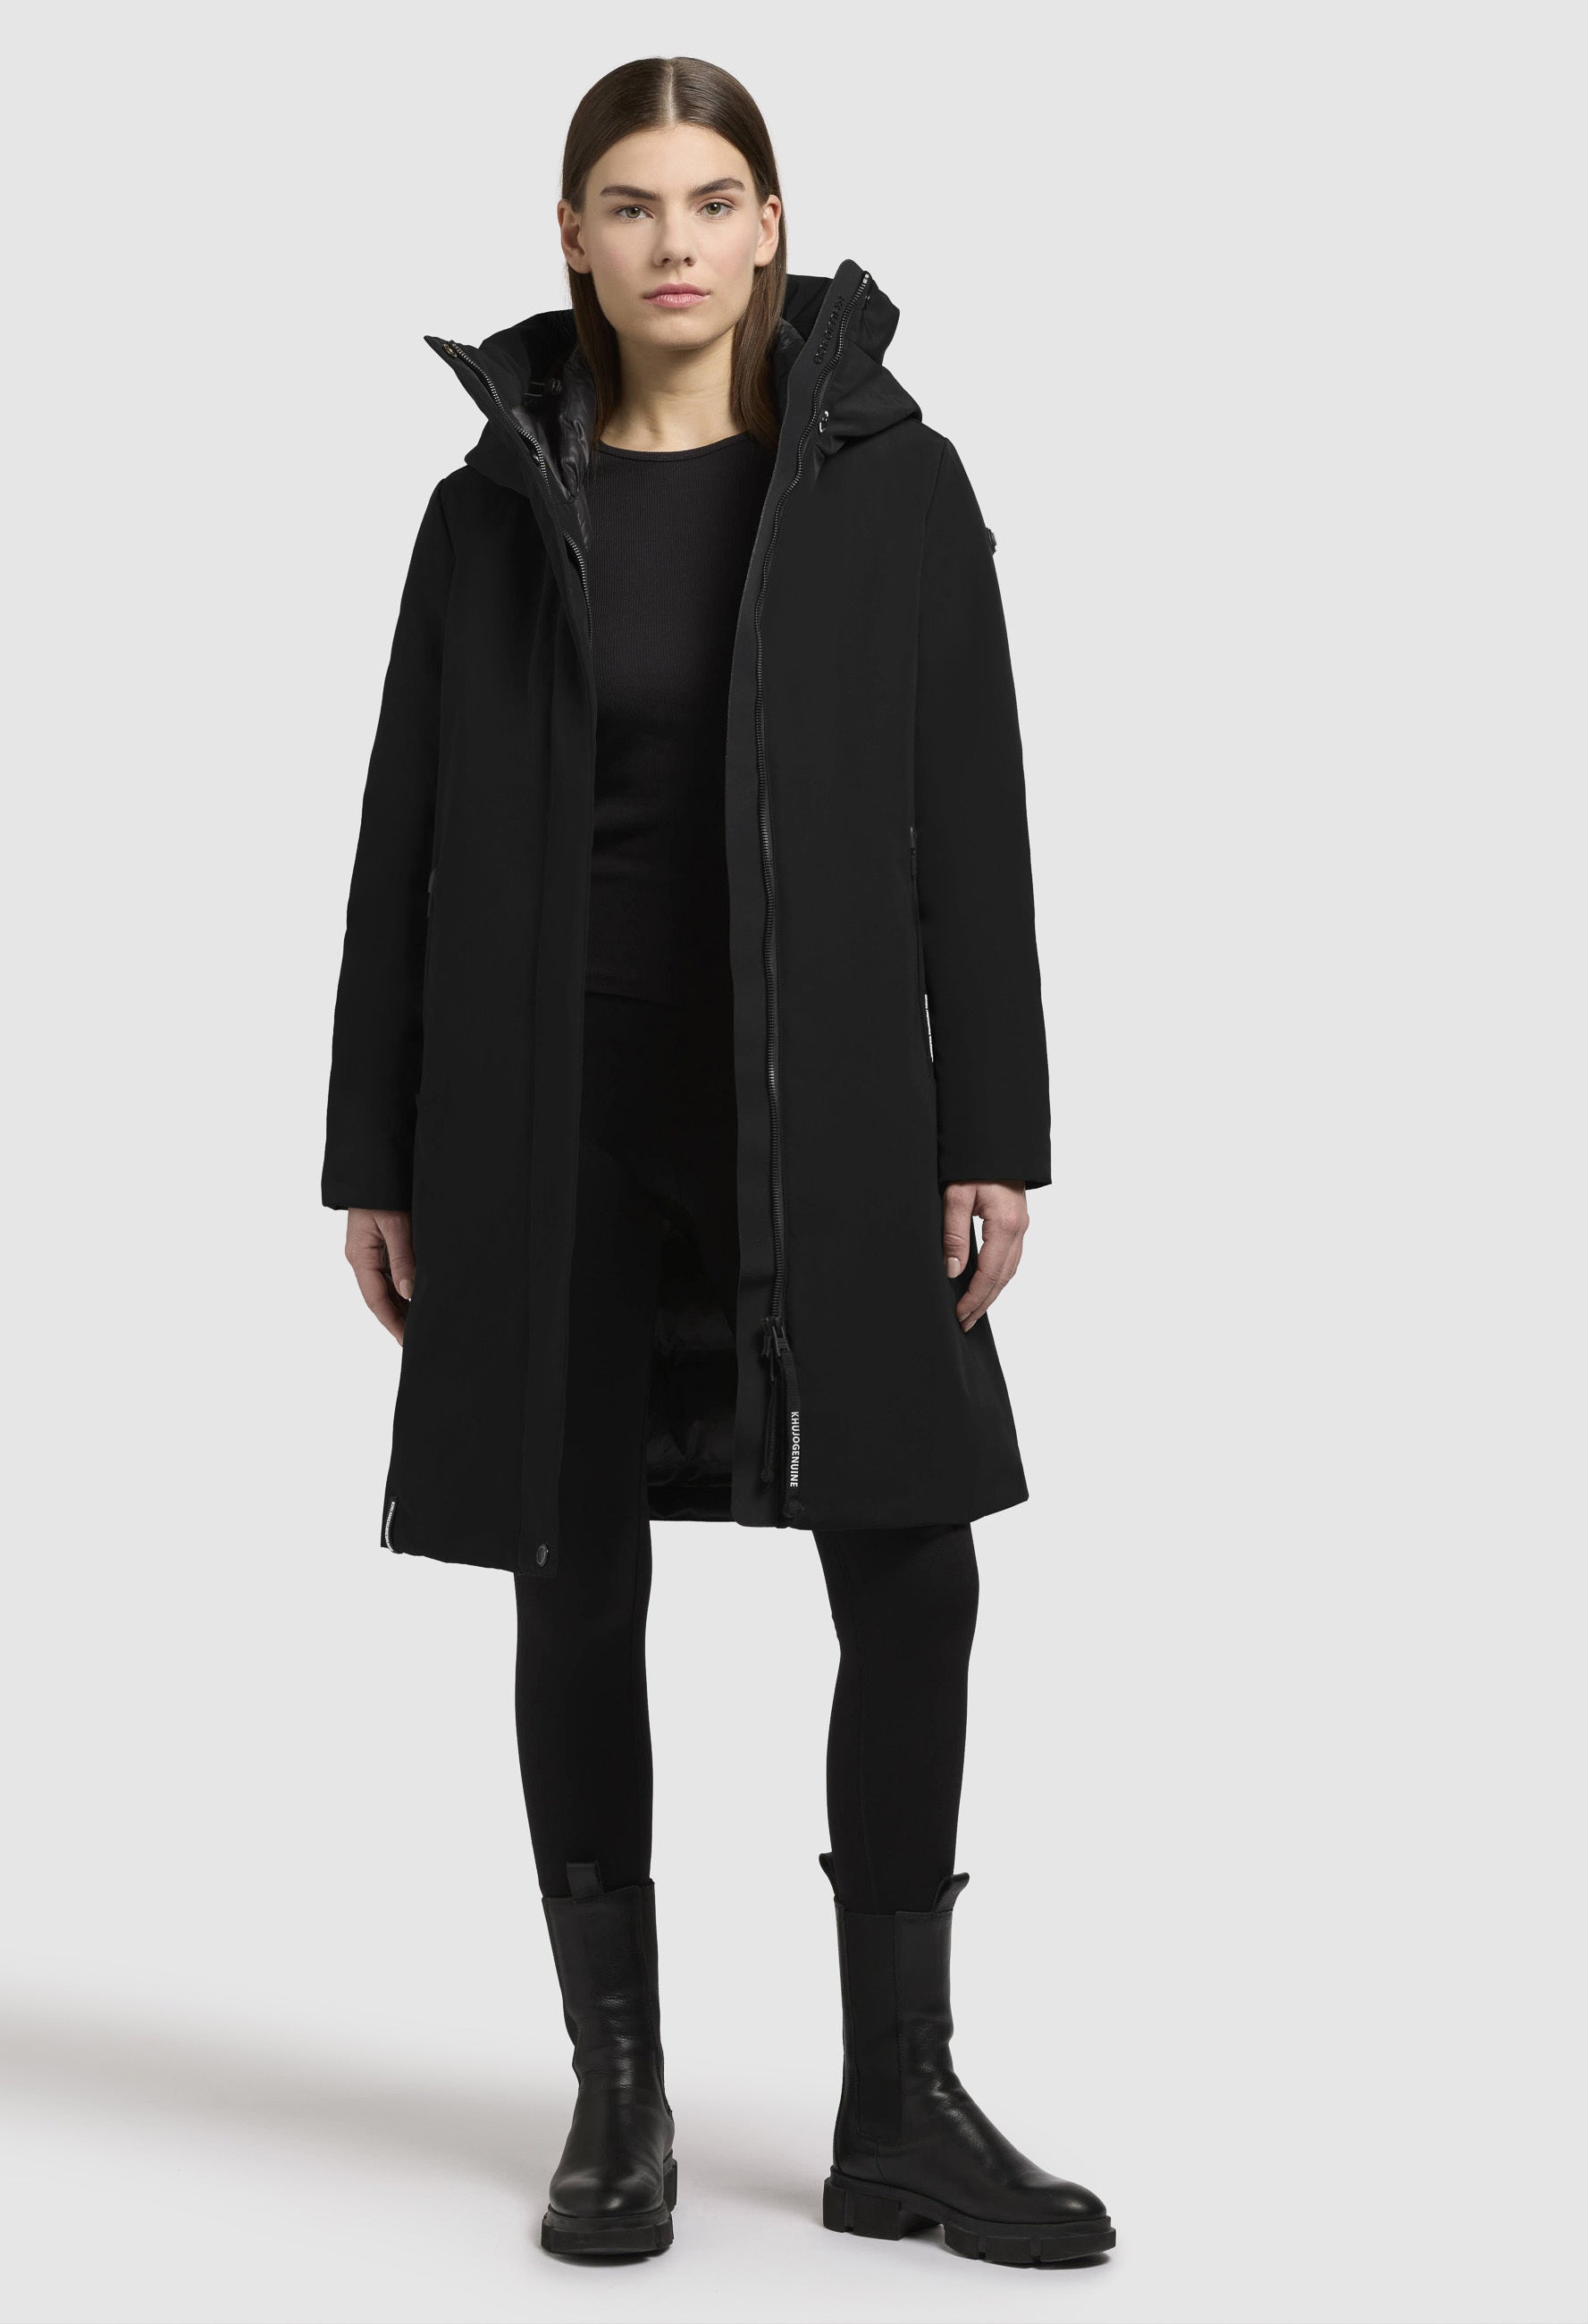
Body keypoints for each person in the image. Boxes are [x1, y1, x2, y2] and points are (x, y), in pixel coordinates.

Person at [323, 53, 1113, 2270]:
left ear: (772, 225)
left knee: (915, 1565)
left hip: (829, 1098)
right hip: (543, 1105)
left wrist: (996, 1126)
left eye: (712, 199)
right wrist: (375, 1147)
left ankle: (901, 2104)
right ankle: (620, 2097)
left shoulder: (892, 486)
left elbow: (972, 819)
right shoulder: (489, 512)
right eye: (630, 204)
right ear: (573, 242)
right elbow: (403, 839)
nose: (673, 241)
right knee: (574, 1575)